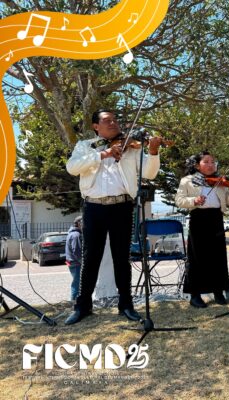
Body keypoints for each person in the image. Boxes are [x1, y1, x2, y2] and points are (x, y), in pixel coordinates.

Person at [65, 109, 163, 325]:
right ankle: (83, 306)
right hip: (93, 207)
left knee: (122, 258)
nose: (113, 123)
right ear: (96, 126)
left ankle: (126, 305)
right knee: (91, 258)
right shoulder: (86, 146)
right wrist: (104, 154)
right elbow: (72, 168)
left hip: (122, 206)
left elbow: (149, 173)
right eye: (107, 121)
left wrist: (154, 152)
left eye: (115, 120)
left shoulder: (131, 147)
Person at [175, 152, 229, 308]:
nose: (210, 164)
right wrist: (194, 200)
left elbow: (228, 201)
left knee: (218, 256)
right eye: (206, 161)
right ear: (197, 165)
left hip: (216, 218)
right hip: (198, 218)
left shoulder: (219, 181)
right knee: (197, 257)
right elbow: (179, 200)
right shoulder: (187, 180)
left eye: (213, 162)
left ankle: (218, 291)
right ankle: (195, 295)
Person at [65, 216, 83, 302]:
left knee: (76, 281)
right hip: (75, 262)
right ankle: (74, 300)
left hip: (71, 261)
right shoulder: (76, 235)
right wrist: (82, 262)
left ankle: (75, 299)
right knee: (77, 282)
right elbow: (76, 250)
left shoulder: (71, 233)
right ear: (79, 223)